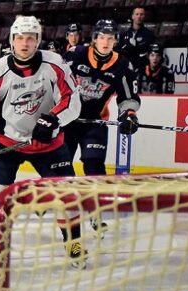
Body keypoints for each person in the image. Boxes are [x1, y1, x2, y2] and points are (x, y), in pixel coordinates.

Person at [0, 16, 82, 264]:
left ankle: (73, 242)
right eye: (20, 38)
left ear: (38, 40)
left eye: (30, 38)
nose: (25, 43)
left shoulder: (55, 64)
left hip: (49, 144)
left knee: (67, 196)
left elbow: (72, 100)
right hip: (8, 142)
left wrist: (53, 120)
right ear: (12, 41)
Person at [65, 19, 140, 187]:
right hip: (67, 121)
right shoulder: (75, 54)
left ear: (116, 40)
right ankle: (58, 203)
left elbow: (128, 97)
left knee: (94, 167)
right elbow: (55, 82)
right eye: (101, 37)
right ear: (94, 38)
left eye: (110, 38)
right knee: (59, 166)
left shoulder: (122, 65)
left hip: (95, 124)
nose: (105, 42)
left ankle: (96, 207)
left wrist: (129, 114)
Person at [118, 6, 155, 70]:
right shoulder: (124, 35)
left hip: (142, 69)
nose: (139, 17)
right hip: (126, 69)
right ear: (132, 16)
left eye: (141, 14)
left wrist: (136, 47)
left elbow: (149, 53)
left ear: (144, 17)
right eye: (137, 14)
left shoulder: (149, 35)